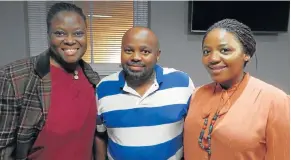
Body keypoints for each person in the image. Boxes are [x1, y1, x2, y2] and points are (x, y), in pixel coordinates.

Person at [0, 2, 100, 160]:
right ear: (48, 34)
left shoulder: (92, 79)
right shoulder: (15, 77)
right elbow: (3, 148)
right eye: (60, 33)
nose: (70, 40)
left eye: (78, 33)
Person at [183, 18, 290, 160]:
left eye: (225, 50)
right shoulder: (197, 94)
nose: (213, 58)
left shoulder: (275, 101)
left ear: (246, 54)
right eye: (206, 51)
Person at [95, 27, 195, 160]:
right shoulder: (103, 88)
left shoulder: (182, 83)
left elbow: (194, 133)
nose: (136, 57)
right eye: (128, 50)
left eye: (145, 51)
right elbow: (100, 135)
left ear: (157, 55)